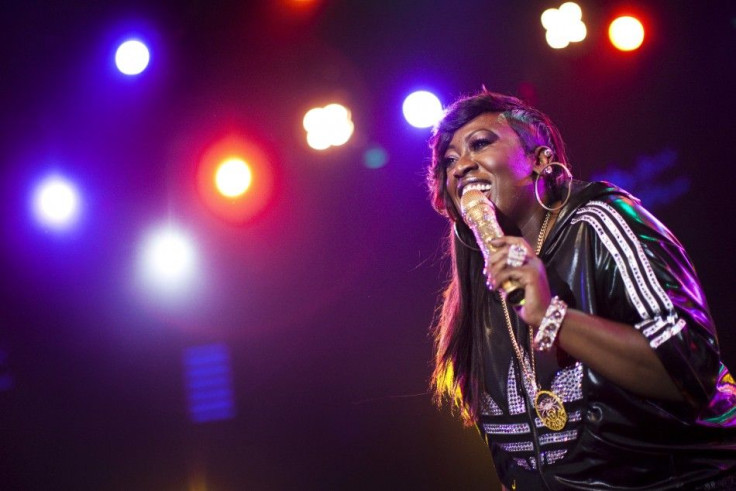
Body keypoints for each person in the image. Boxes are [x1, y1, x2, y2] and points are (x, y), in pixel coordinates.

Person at [426, 90, 736, 490]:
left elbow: (690, 371)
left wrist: (551, 316)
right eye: (448, 161)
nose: (461, 167)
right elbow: (517, 459)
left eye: (480, 144)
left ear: (540, 160)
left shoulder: (600, 222)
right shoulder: (478, 283)